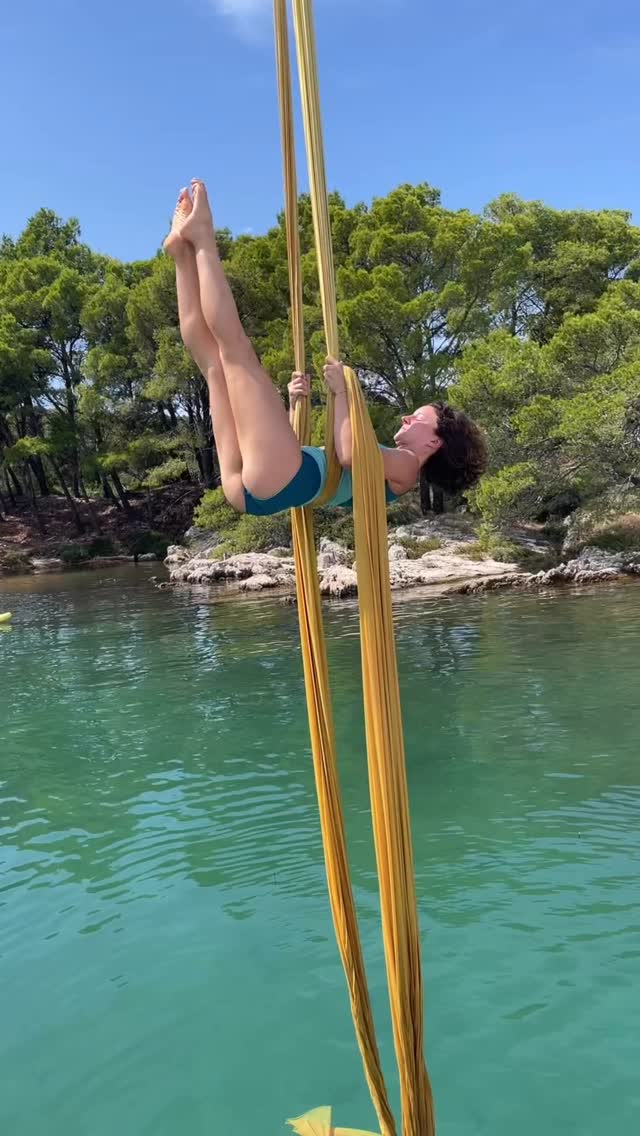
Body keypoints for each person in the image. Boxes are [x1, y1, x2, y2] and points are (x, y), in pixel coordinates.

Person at [164, 179, 487, 516]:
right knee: (214, 364)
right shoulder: (395, 461)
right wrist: (294, 407)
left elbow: (349, 454)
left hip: (282, 478)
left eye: (418, 418)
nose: (407, 417)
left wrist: (344, 393)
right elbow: (307, 452)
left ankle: (201, 239)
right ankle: (182, 255)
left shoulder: (407, 466)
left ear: (434, 443)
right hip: (260, 486)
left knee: (236, 354)